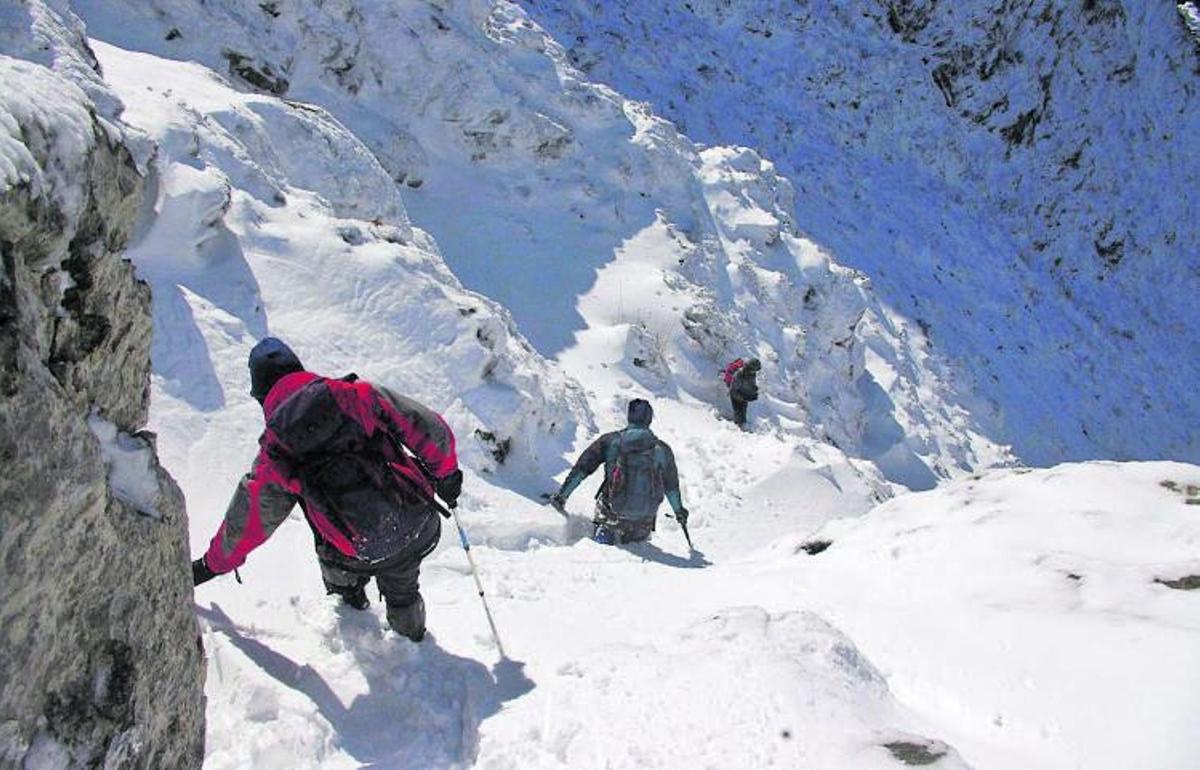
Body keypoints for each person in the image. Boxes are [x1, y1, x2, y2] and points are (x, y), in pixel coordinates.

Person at [191, 338, 462, 642]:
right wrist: (447, 476)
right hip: (415, 523)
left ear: (261, 395)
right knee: (403, 585)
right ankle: (412, 644)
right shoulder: (355, 396)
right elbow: (428, 428)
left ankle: (353, 626)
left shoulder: (277, 451)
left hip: (352, 552)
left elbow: (250, 519)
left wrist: (210, 565)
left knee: (337, 572)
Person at [548, 399, 688, 545]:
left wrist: (561, 497)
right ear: (649, 419)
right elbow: (671, 487)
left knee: (605, 527)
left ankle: (602, 538)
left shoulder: (611, 441)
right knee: (636, 540)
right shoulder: (662, 449)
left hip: (611, 512)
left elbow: (582, 470)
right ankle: (635, 542)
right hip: (643, 521)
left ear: (629, 417)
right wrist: (679, 512)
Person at [722, 357, 761, 429]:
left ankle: (742, 429)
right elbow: (733, 391)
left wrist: (754, 391)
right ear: (749, 368)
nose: (754, 372)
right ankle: (736, 431)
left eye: (755, 371)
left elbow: (752, 384)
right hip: (736, 396)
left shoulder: (752, 374)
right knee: (738, 412)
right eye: (753, 370)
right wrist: (744, 397)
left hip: (743, 395)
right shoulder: (739, 374)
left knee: (743, 412)